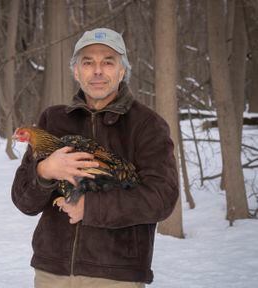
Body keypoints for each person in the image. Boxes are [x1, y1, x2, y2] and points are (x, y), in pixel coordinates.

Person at [12, 27, 179, 288]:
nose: (97, 71)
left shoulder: (146, 124)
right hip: (51, 273)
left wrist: (90, 208)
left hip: (115, 275)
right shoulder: (53, 120)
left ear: (122, 71)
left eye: (108, 62)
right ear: (76, 71)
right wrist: (45, 170)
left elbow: (161, 198)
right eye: (88, 62)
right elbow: (24, 201)